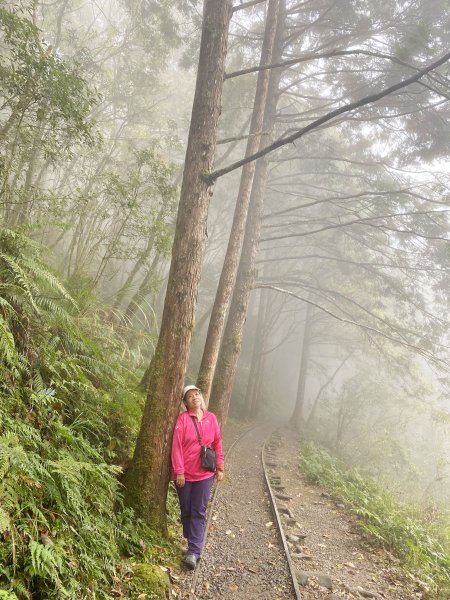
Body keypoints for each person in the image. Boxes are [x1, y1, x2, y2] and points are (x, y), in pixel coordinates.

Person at [171, 385, 224, 570]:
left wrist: (220, 466)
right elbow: (176, 446)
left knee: (199, 511)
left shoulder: (211, 418)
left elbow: (217, 443)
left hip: (205, 474)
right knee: (186, 510)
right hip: (184, 475)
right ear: (185, 403)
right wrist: (179, 471)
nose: (195, 397)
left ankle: (194, 551)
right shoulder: (182, 420)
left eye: (197, 394)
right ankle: (191, 535)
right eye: (190, 396)